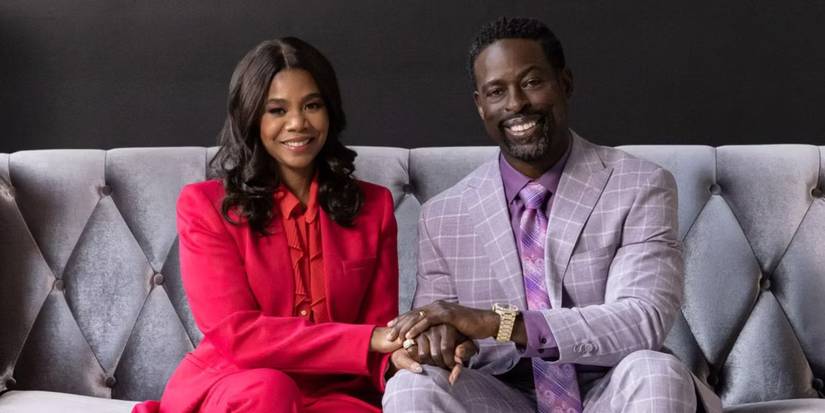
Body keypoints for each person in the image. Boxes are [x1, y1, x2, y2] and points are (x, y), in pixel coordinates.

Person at [382, 17, 722, 413]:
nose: (515, 104)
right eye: (496, 91)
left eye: (531, 82)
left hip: (611, 391)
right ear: (480, 105)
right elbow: (444, 326)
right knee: (413, 387)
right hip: (501, 396)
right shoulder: (444, 214)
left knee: (656, 370)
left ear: (565, 82)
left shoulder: (639, 185)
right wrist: (436, 340)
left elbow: (642, 319)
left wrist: (498, 323)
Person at [132, 37, 408, 413]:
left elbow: (379, 334)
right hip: (237, 384)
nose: (298, 123)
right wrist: (371, 340)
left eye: (312, 105)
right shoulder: (205, 206)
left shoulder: (373, 207)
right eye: (276, 110)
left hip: (333, 393)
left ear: (330, 111)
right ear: (251, 119)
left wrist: (403, 357)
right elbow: (238, 335)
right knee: (270, 391)